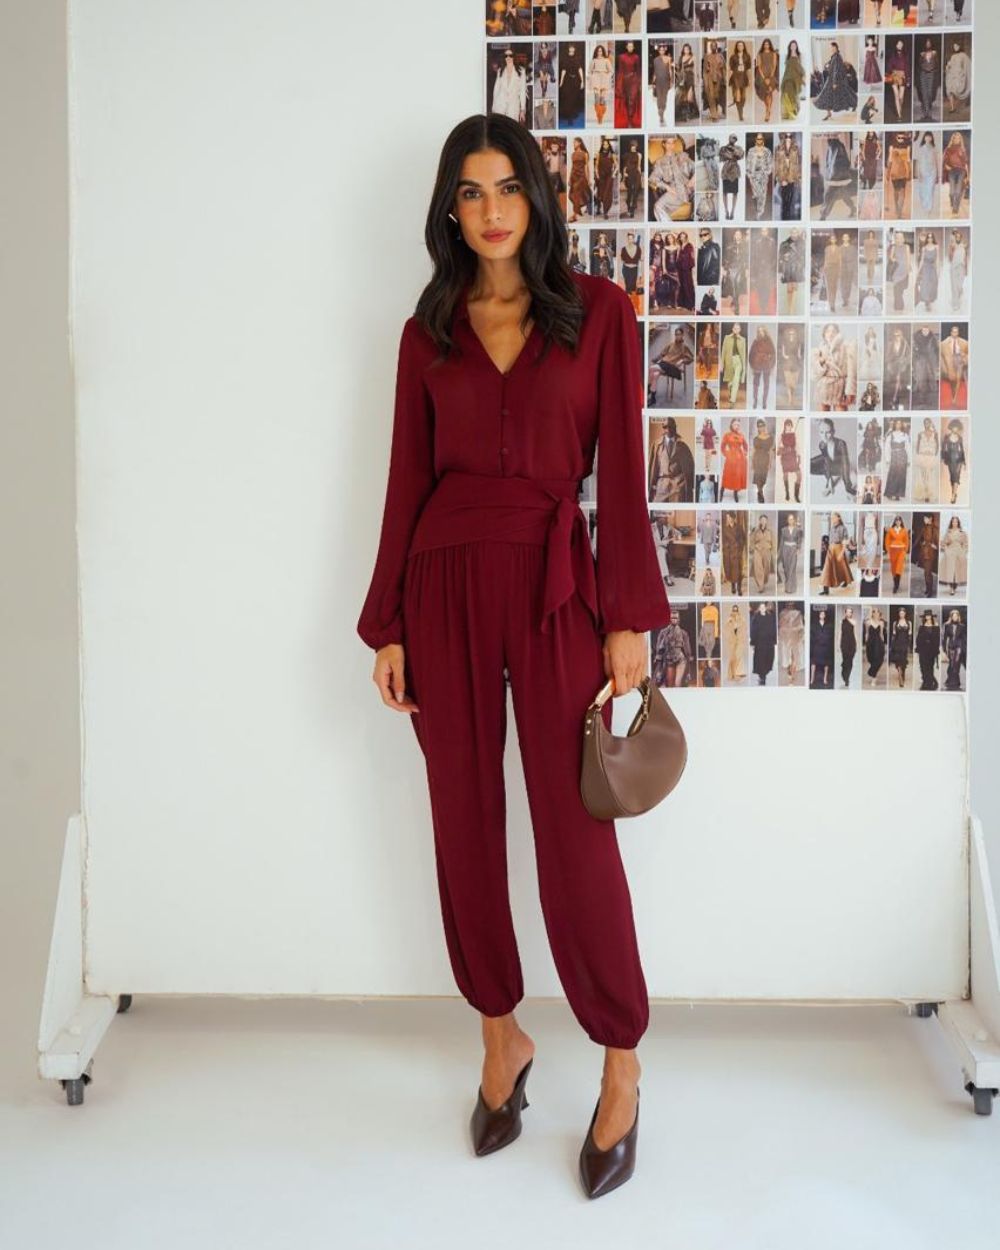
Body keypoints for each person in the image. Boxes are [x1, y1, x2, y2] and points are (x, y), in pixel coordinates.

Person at [356, 115, 670, 1196]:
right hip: (442, 584)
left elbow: (620, 477)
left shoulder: (599, 314)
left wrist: (624, 614)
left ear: (535, 196)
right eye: (470, 191)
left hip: (553, 591)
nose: (491, 210)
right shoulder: (427, 333)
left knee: (576, 829)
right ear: (450, 211)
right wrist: (390, 621)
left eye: (507, 187)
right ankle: (501, 1036)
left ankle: (621, 1058)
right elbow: (406, 479)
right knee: (463, 821)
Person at [781, 40, 805, 120]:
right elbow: (786, 68)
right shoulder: (787, 55)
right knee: (786, 94)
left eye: (795, 45)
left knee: (793, 94)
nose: (793, 46)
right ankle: (787, 112)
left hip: (795, 78)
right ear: (790, 47)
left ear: (796, 46)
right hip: (787, 77)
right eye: (792, 45)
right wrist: (783, 78)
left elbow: (800, 67)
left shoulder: (799, 55)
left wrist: (803, 76)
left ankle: (794, 111)